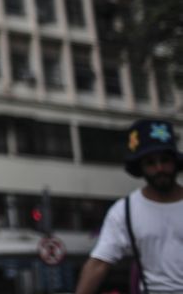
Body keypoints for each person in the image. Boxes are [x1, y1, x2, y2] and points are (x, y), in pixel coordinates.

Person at [74, 118, 183, 294]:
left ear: (175, 162)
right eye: (150, 163)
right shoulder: (125, 210)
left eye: (165, 160)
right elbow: (99, 263)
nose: (159, 168)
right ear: (140, 167)